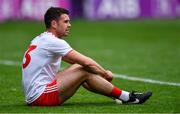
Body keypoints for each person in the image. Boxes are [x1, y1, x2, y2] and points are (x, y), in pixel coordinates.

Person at [22, 7, 152, 106]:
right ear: (54, 24)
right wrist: (105, 74)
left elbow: (75, 62)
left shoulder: (41, 39)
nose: (69, 25)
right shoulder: (53, 42)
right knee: (84, 68)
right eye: (66, 21)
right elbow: (87, 63)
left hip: (35, 94)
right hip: (40, 97)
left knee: (80, 69)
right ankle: (128, 98)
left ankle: (120, 96)